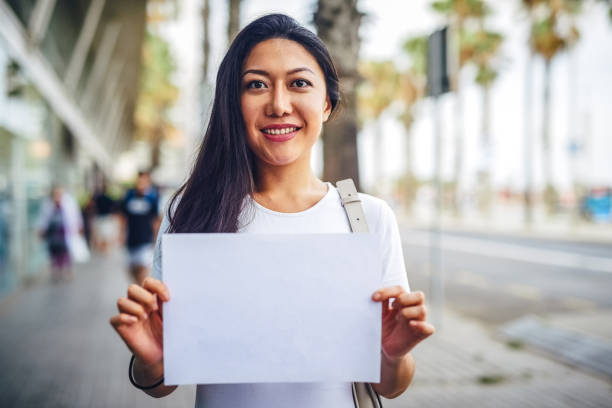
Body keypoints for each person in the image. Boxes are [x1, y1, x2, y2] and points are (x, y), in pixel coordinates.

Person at [110, 14, 434, 407]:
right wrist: (153, 359)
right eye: (257, 85)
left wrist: (392, 353)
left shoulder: (367, 217)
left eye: (299, 83)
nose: (279, 105)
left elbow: (391, 386)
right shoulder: (193, 212)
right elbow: (160, 383)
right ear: (234, 102)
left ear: (327, 103)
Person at [119, 171, 160, 284]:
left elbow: (155, 220)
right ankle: (138, 288)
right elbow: (123, 217)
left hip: (145, 239)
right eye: (140, 181)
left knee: (143, 270)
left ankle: (140, 293)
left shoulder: (152, 198)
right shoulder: (129, 196)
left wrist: (156, 238)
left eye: (145, 181)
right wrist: (121, 234)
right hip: (131, 240)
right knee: (132, 270)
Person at [37, 186, 84, 282]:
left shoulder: (68, 204)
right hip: (54, 234)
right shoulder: (48, 205)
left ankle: (66, 270)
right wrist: (41, 230)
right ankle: (56, 272)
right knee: (55, 253)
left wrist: (79, 227)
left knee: (66, 253)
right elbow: (43, 219)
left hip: (65, 233)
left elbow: (75, 216)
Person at [92, 181, 118, 253]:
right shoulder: (108, 198)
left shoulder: (98, 198)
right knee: (106, 234)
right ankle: (105, 248)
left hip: (101, 217)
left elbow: (94, 206)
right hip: (106, 217)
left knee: (102, 234)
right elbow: (114, 206)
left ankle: (103, 248)